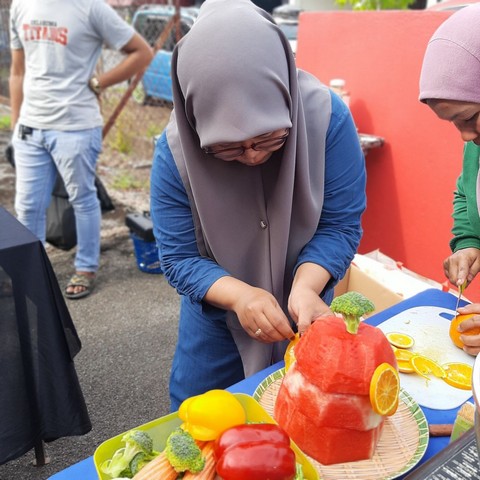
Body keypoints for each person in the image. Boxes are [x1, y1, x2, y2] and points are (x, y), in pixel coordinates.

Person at [150, 0, 367, 411]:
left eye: (270, 138)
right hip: (217, 321)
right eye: (227, 148)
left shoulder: (327, 120)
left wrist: (305, 287)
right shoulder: (175, 153)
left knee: (307, 414)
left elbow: (339, 225)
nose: (252, 156)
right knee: (199, 417)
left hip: (309, 308)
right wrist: (238, 297)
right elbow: (178, 257)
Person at [9, 0, 153, 299]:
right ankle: (31, 273)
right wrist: (16, 125)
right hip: (30, 128)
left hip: (75, 127)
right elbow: (18, 71)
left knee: (82, 198)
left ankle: (86, 267)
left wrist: (99, 82)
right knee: (27, 206)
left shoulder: (90, 8)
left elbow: (141, 52)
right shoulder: (20, 5)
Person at [419, 3, 480, 356]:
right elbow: (468, 194)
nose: (465, 136)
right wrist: (470, 242)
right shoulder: (477, 146)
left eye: (470, 117)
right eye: (454, 123)